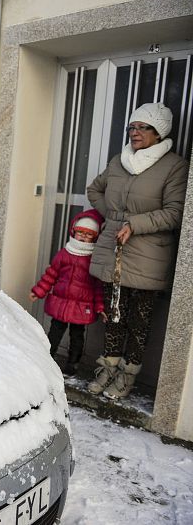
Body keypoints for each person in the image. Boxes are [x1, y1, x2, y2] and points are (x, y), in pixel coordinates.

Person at [86, 102, 189, 399]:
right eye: (132, 127)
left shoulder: (175, 166)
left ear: (159, 132)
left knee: (138, 324)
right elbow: (94, 190)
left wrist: (134, 223)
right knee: (113, 318)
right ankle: (107, 368)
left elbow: (176, 212)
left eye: (143, 127)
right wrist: (114, 217)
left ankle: (127, 375)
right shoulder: (119, 161)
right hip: (114, 254)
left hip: (149, 257)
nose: (135, 132)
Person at [30, 209, 106, 376]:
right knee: (55, 332)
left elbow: (98, 286)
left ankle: (73, 364)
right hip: (61, 302)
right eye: (80, 232)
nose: (83, 237)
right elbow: (51, 274)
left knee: (77, 336)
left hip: (81, 306)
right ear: (73, 232)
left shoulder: (94, 258)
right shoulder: (65, 253)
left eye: (88, 234)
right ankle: (47, 359)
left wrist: (100, 307)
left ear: (95, 237)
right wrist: (39, 291)